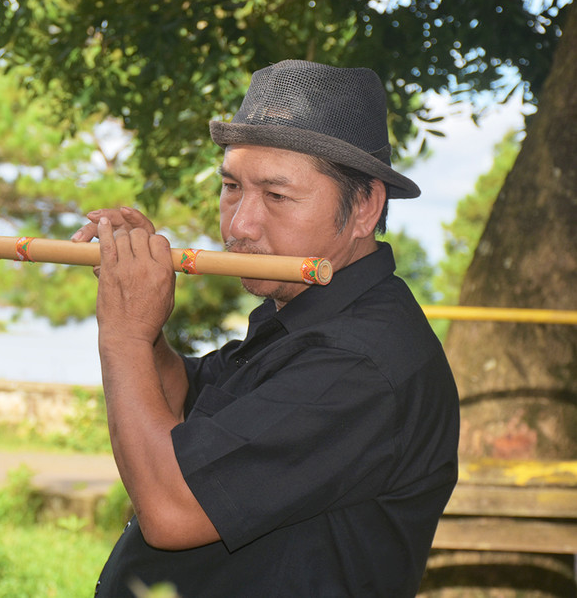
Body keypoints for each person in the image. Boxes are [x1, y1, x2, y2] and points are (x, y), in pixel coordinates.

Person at [71, 60, 460, 597]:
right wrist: (145, 320)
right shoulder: (303, 317)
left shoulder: (359, 359)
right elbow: (180, 403)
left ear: (365, 206)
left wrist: (125, 333)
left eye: (277, 196)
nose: (239, 225)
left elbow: (172, 510)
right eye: (232, 187)